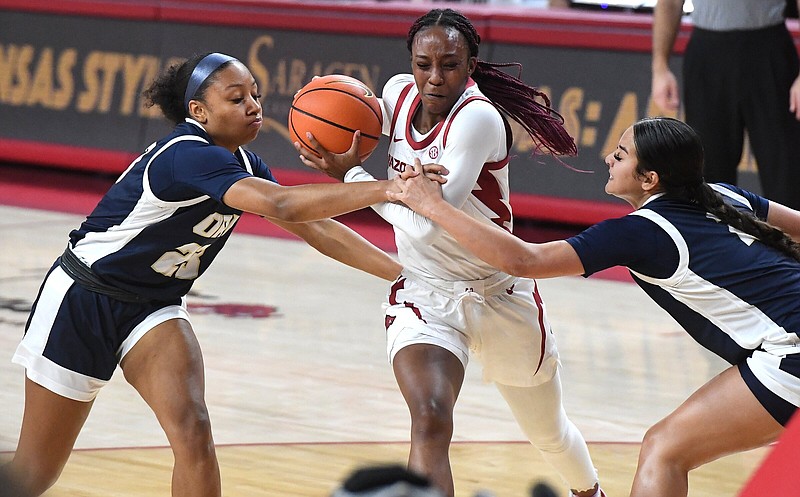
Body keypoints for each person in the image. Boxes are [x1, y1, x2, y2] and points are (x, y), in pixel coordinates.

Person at [5, 52, 406, 497]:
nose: (253, 106)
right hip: (84, 300)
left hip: (153, 307)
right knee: (33, 474)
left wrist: (404, 275)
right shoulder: (186, 155)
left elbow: (314, 228)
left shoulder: (246, 165)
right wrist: (389, 187)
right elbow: (282, 205)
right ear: (199, 111)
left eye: (255, 94)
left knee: (193, 432)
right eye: (236, 98)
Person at [388, 116, 800, 497]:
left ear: (650, 179)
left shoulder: (640, 232)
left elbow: (523, 261)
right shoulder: (724, 195)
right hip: (785, 348)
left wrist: (433, 206)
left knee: (664, 451)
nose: (608, 158)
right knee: (666, 447)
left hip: (789, 355)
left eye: (620, 156)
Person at [296, 8, 603, 497]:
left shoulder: (477, 118)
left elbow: (423, 222)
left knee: (549, 434)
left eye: (450, 65)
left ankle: (590, 492)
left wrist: (355, 180)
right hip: (426, 293)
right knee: (430, 418)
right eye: (424, 64)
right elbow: (398, 191)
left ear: (471, 66)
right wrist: (333, 136)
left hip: (499, 293)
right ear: (410, 63)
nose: (434, 78)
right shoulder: (395, 95)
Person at [651, 0, 800, 209]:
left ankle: (793, 241)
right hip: (708, 54)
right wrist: (660, 68)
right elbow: (670, 2)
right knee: (707, 177)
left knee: (787, 175)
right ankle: (714, 240)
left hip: (769, 48)